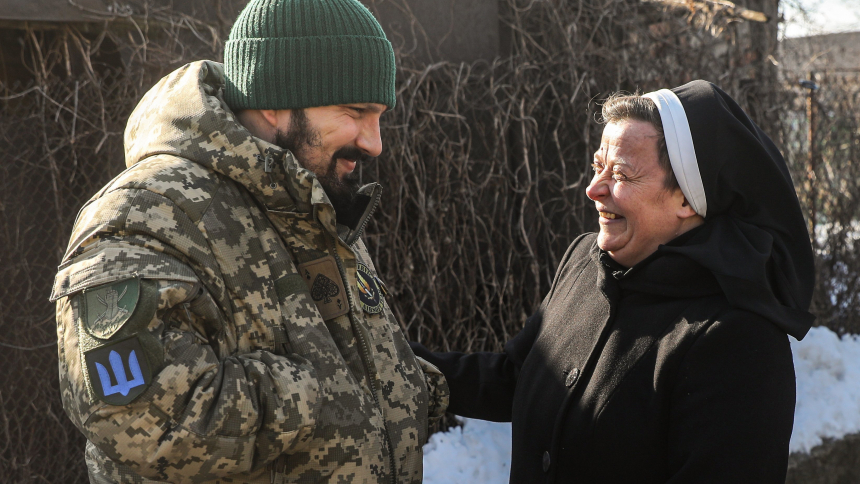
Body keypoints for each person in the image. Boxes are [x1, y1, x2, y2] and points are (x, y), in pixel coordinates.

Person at [50, 0, 448, 482]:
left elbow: (358, 361)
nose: (374, 142)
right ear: (273, 99)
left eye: (379, 115)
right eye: (355, 111)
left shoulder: (310, 203)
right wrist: (317, 390)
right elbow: (140, 419)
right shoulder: (144, 215)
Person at [412, 80, 814, 483]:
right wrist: (393, 364)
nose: (593, 188)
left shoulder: (739, 340)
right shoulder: (585, 262)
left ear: (688, 199)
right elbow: (518, 379)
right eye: (596, 166)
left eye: (620, 173)